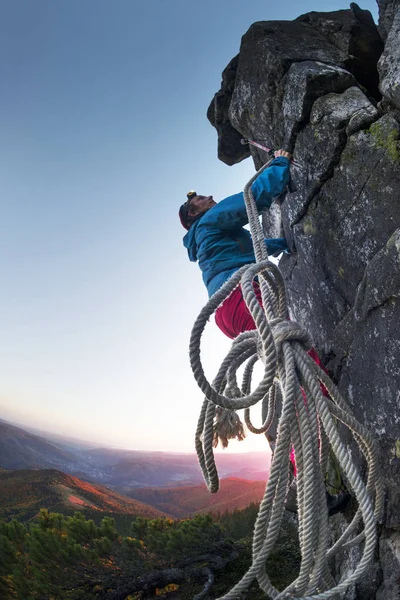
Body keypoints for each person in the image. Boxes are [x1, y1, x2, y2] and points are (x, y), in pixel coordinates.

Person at [179, 150, 350, 515]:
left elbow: (251, 248)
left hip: (229, 306)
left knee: (287, 372)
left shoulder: (208, 238)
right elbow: (252, 199)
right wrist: (281, 161)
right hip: (244, 293)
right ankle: (321, 404)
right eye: (199, 200)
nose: (206, 198)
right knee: (298, 373)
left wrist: (282, 245)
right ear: (194, 212)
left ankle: (294, 482)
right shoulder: (209, 222)